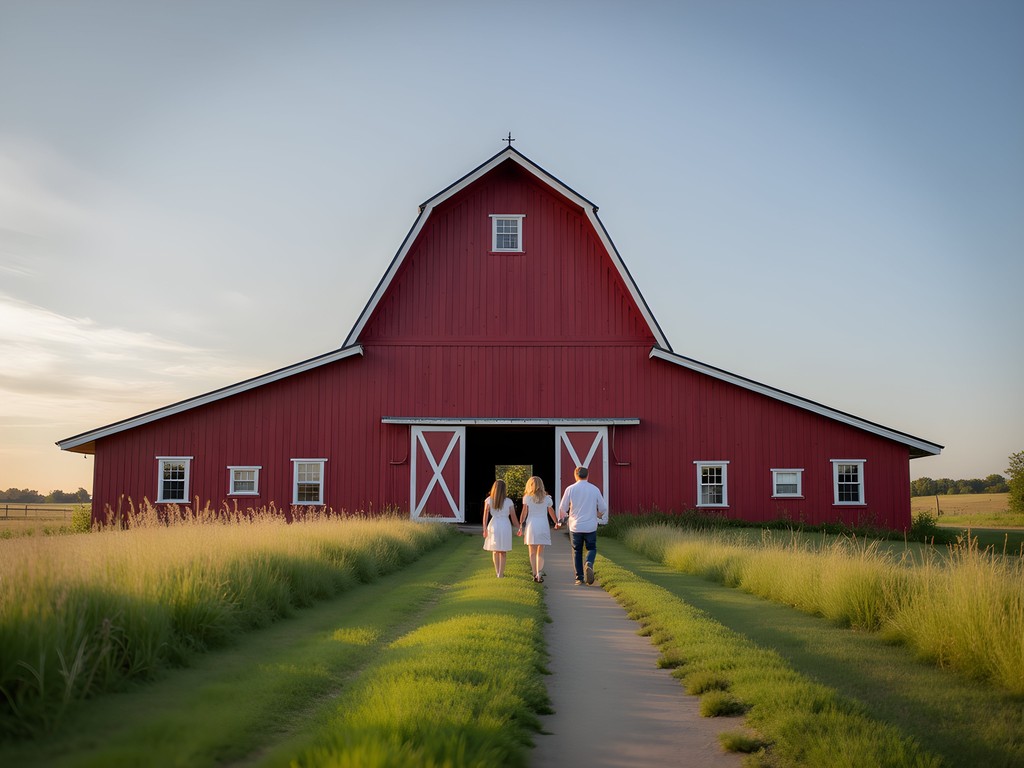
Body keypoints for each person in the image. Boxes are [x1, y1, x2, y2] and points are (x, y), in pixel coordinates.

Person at [557, 466, 607, 586]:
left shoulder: (570, 489)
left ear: (575, 475)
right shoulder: (594, 489)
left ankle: (579, 578)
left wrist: (562, 520)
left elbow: (562, 508)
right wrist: (598, 514)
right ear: (587, 475)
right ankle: (589, 563)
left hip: (575, 526)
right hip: (590, 525)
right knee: (591, 548)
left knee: (577, 551)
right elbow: (603, 508)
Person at [517, 475, 560, 582]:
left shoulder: (527, 498)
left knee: (532, 552)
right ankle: (539, 573)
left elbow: (524, 512)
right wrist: (556, 522)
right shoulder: (547, 499)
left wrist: (520, 524)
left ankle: (534, 573)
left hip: (532, 525)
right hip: (543, 525)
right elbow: (551, 512)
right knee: (540, 552)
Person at [482, 479, 519, 578]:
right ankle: (500, 574)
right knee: (503, 551)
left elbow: (485, 516)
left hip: (493, 525)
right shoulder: (508, 502)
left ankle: (497, 572)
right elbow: (514, 518)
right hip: (505, 525)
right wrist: (519, 527)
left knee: (495, 550)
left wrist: (484, 528)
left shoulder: (489, 500)